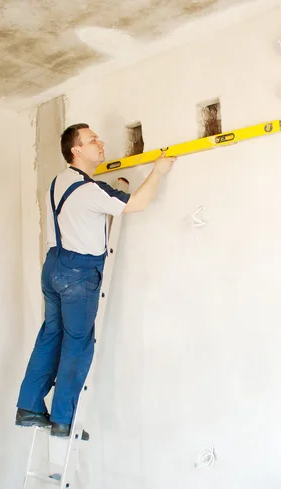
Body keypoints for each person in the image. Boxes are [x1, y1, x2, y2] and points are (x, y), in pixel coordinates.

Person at [15, 123, 176, 437]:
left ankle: (29, 407)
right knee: (77, 344)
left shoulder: (59, 182)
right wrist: (158, 172)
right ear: (76, 150)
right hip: (78, 274)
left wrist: (117, 187)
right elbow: (136, 205)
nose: (100, 143)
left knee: (50, 337)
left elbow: (91, 208)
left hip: (53, 267)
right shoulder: (91, 190)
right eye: (92, 141)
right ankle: (63, 420)